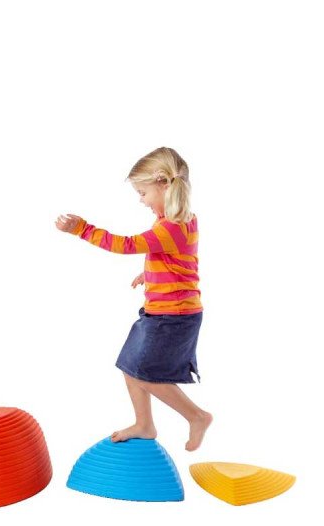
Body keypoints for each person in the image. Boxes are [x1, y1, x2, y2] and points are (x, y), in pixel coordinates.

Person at [55, 146, 213, 451]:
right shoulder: (177, 221)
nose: (141, 200)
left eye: (143, 192)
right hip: (160, 312)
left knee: (147, 375)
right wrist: (150, 273)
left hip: (174, 317)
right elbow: (178, 259)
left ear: (163, 184)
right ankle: (144, 424)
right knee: (130, 368)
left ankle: (197, 416)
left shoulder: (172, 226)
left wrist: (83, 230)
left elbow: (126, 245)